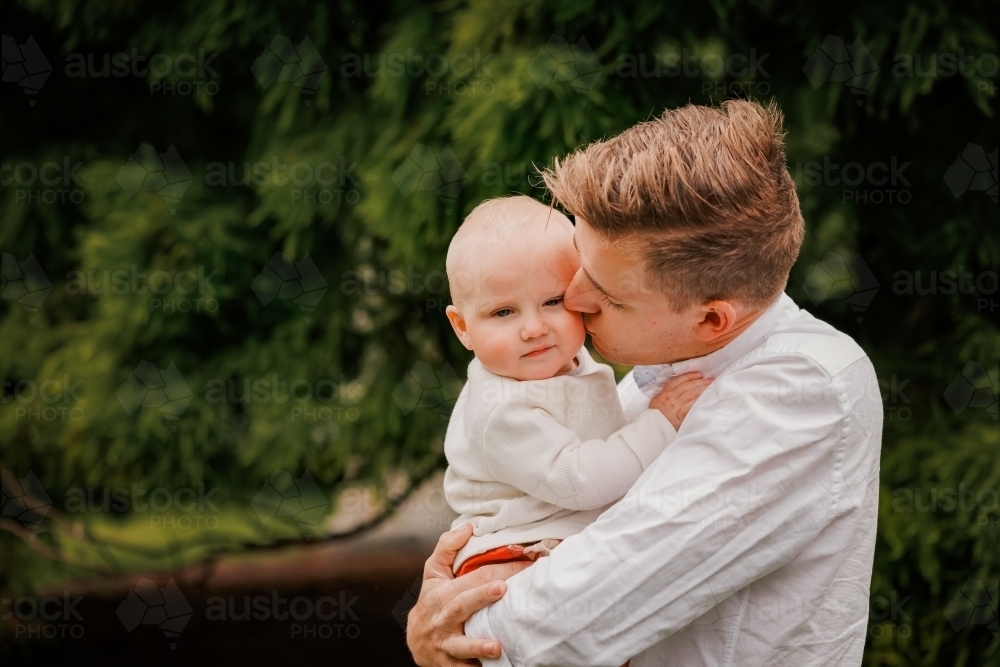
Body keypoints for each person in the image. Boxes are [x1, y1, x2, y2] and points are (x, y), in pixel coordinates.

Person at [406, 99, 883, 667]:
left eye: (605, 293)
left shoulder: (799, 391)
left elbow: (570, 615)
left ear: (712, 318)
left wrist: (450, 622)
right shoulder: (671, 360)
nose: (574, 301)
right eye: (579, 265)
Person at [442, 195, 711, 578]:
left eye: (553, 301)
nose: (534, 328)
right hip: (513, 550)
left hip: (563, 531)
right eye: (503, 312)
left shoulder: (562, 363)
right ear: (463, 327)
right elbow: (581, 480)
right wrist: (661, 422)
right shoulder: (502, 410)